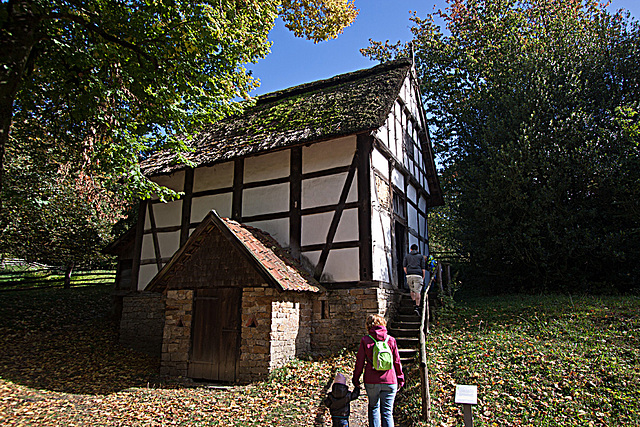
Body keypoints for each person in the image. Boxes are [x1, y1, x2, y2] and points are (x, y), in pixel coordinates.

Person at [352, 314, 404, 427]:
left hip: (371, 380)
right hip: (390, 380)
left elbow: (359, 362)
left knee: (374, 408)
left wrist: (356, 379)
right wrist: (400, 378)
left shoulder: (365, 340)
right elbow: (397, 362)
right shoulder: (391, 340)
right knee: (387, 413)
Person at [403, 244, 425, 315]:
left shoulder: (407, 256)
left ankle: (413, 301)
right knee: (417, 291)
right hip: (418, 274)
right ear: (417, 250)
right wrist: (423, 276)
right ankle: (417, 306)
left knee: (412, 290)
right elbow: (423, 268)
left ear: (411, 249)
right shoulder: (420, 257)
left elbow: (404, 267)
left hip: (409, 275)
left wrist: (407, 273)